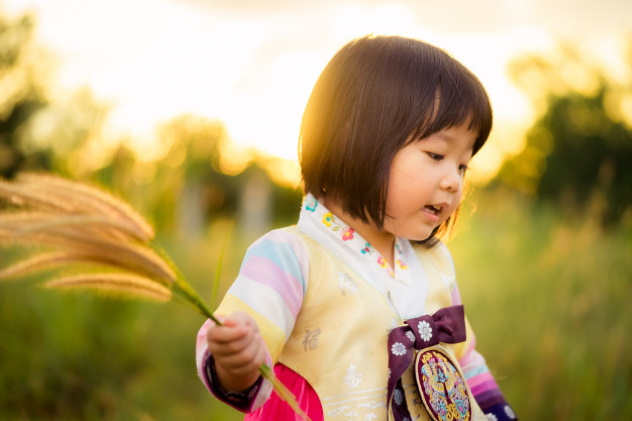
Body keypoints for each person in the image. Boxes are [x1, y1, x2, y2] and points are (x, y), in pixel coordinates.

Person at [196, 34, 518, 421]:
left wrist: (499, 413)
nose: (454, 181)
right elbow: (242, 365)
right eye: (436, 154)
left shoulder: (434, 261)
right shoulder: (292, 256)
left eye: (463, 165)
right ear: (356, 140)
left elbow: (464, 360)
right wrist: (238, 358)